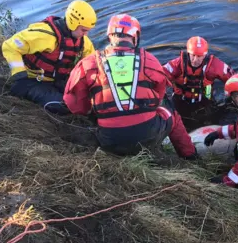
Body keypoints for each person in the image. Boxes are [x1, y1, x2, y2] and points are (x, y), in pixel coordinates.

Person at [63, 13, 197, 159]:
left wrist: (94, 111)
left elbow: (73, 104)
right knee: (173, 115)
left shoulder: (88, 63)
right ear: (135, 37)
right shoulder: (150, 60)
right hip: (147, 136)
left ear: (109, 36)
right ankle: (190, 157)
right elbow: (158, 96)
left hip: (109, 140)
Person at [2, 0, 97, 111]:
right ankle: (23, 90)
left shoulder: (84, 43)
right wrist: (19, 74)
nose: (86, 34)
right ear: (73, 23)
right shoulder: (45, 36)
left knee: (85, 103)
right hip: (32, 80)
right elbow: (10, 46)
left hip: (57, 80)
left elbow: (92, 65)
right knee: (64, 107)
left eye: (88, 31)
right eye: (84, 30)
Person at [162, 36, 235, 123]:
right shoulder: (176, 65)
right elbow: (158, 77)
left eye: (200, 56)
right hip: (180, 100)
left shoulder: (215, 66)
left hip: (205, 100)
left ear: (205, 55)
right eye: (193, 55)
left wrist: (234, 96)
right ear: (188, 53)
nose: (195, 60)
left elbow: (234, 79)